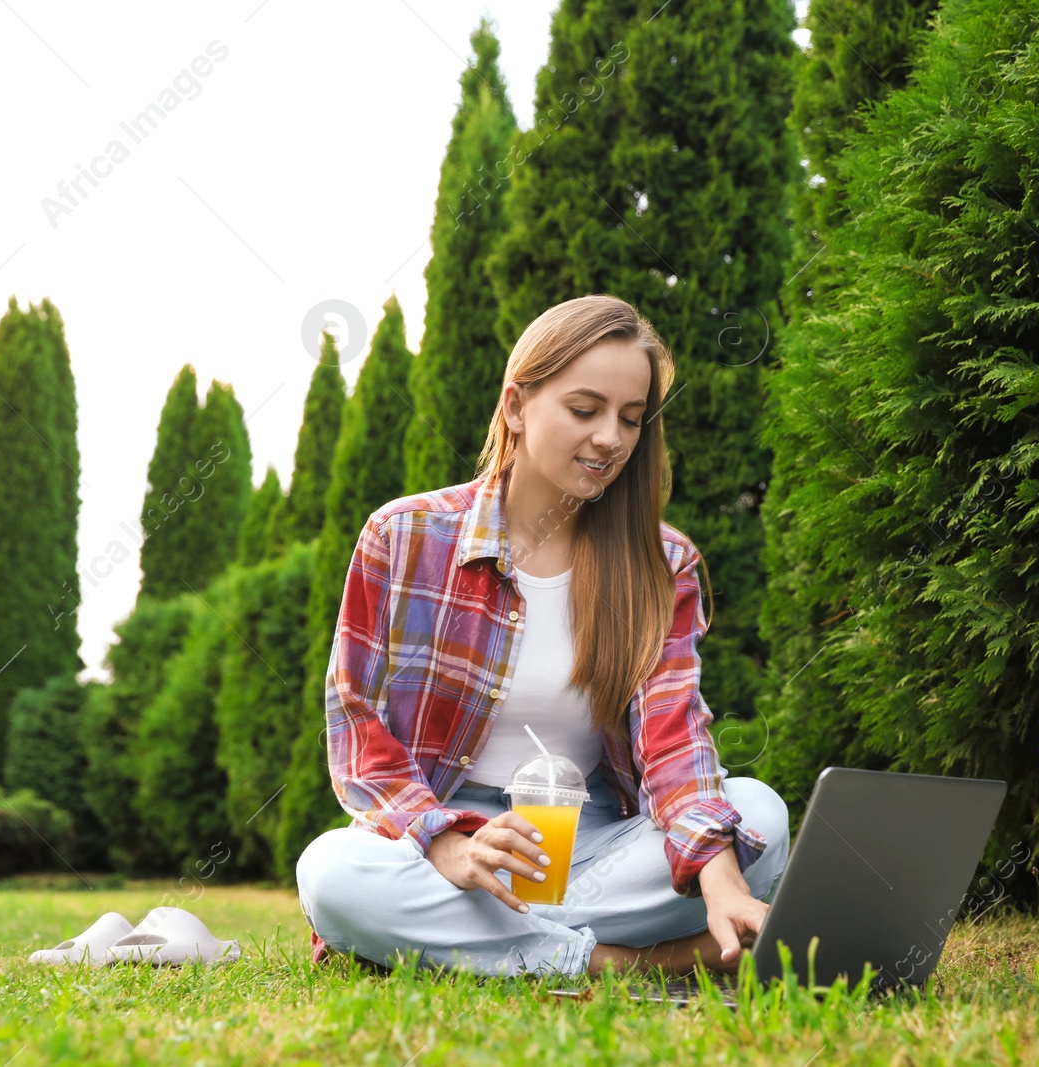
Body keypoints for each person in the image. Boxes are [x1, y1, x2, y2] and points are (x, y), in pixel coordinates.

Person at [295, 294, 790, 979]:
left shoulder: (662, 561)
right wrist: (448, 844)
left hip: (592, 850)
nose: (611, 438)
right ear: (516, 406)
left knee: (760, 815)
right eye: (585, 410)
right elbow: (356, 728)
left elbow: (673, 737)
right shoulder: (403, 536)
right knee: (331, 871)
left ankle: (480, 945)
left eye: (630, 418)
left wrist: (721, 875)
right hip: (446, 844)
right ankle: (617, 962)